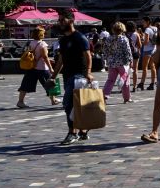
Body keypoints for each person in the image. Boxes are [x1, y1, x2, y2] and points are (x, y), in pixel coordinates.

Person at [50, 8, 94, 146]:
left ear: (72, 20)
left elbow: (88, 56)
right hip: (67, 76)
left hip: (78, 76)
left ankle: (72, 133)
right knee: (77, 105)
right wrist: (53, 76)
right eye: (59, 20)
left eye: (63, 20)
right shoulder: (63, 40)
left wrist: (88, 72)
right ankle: (82, 131)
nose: (60, 22)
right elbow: (61, 60)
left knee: (68, 103)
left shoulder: (79, 37)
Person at [16, 27, 58, 108]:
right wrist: (51, 68)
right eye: (43, 33)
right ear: (41, 34)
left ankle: (20, 101)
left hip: (32, 67)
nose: (44, 34)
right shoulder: (42, 44)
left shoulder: (32, 43)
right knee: (50, 83)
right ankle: (53, 100)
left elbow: (36, 55)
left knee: (25, 84)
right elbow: (45, 57)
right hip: (42, 68)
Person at [102, 21, 133, 104]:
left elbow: (105, 50)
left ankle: (104, 95)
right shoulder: (124, 39)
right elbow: (127, 51)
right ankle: (127, 98)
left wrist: (106, 59)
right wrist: (130, 60)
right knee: (125, 80)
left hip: (111, 62)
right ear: (122, 29)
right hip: (122, 62)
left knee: (110, 80)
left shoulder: (109, 39)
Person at [137, 17, 157, 90]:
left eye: (143, 22)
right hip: (154, 49)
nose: (142, 23)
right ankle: (152, 83)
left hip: (147, 50)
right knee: (152, 66)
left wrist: (141, 41)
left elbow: (146, 42)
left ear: (148, 22)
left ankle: (142, 83)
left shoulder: (147, 29)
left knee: (144, 67)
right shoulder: (155, 28)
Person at [127, 21, 141, 93]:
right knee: (135, 70)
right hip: (135, 53)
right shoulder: (136, 34)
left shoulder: (125, 34)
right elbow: (140, 45)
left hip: (127, 54)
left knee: (126, 70)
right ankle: (134, 86)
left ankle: (126, 86)